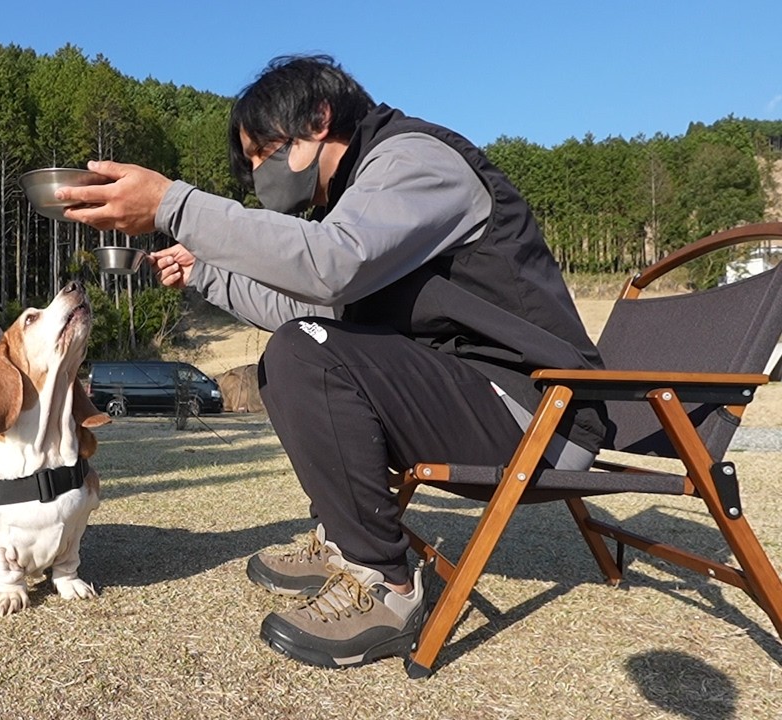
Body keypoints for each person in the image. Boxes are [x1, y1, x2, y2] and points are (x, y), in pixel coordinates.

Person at [57, 54, 606, 670]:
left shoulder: (415, 162)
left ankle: (386, 585)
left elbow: (328, 264)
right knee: (302, 346)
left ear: (319, 117)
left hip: (538, 414)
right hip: (475, 399)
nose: (260, 175)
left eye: (266, 152)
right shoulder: (360, 201)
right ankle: (346, 537)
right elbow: (309, 303)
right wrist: (204, 274)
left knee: (304, 352)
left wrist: (173, 205)